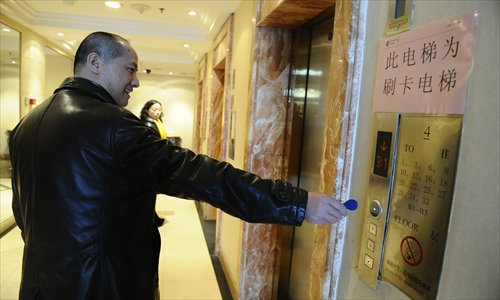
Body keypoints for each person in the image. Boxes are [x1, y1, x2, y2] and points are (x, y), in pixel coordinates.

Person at [9, 31, 348, 300]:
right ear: (95, 62)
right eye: (130, 68)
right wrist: (296, 203)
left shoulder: (29, 123)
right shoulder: (113, 125)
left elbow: (24, 214)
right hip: (102, 286)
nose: (136, 81)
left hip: (40, 285)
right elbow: (200, 175)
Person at [139, 99, 167, 300]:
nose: (157, 112)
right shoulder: (148, 125)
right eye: (154, 109)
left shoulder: (155, 124)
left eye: (159, 109)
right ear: (147, 110)